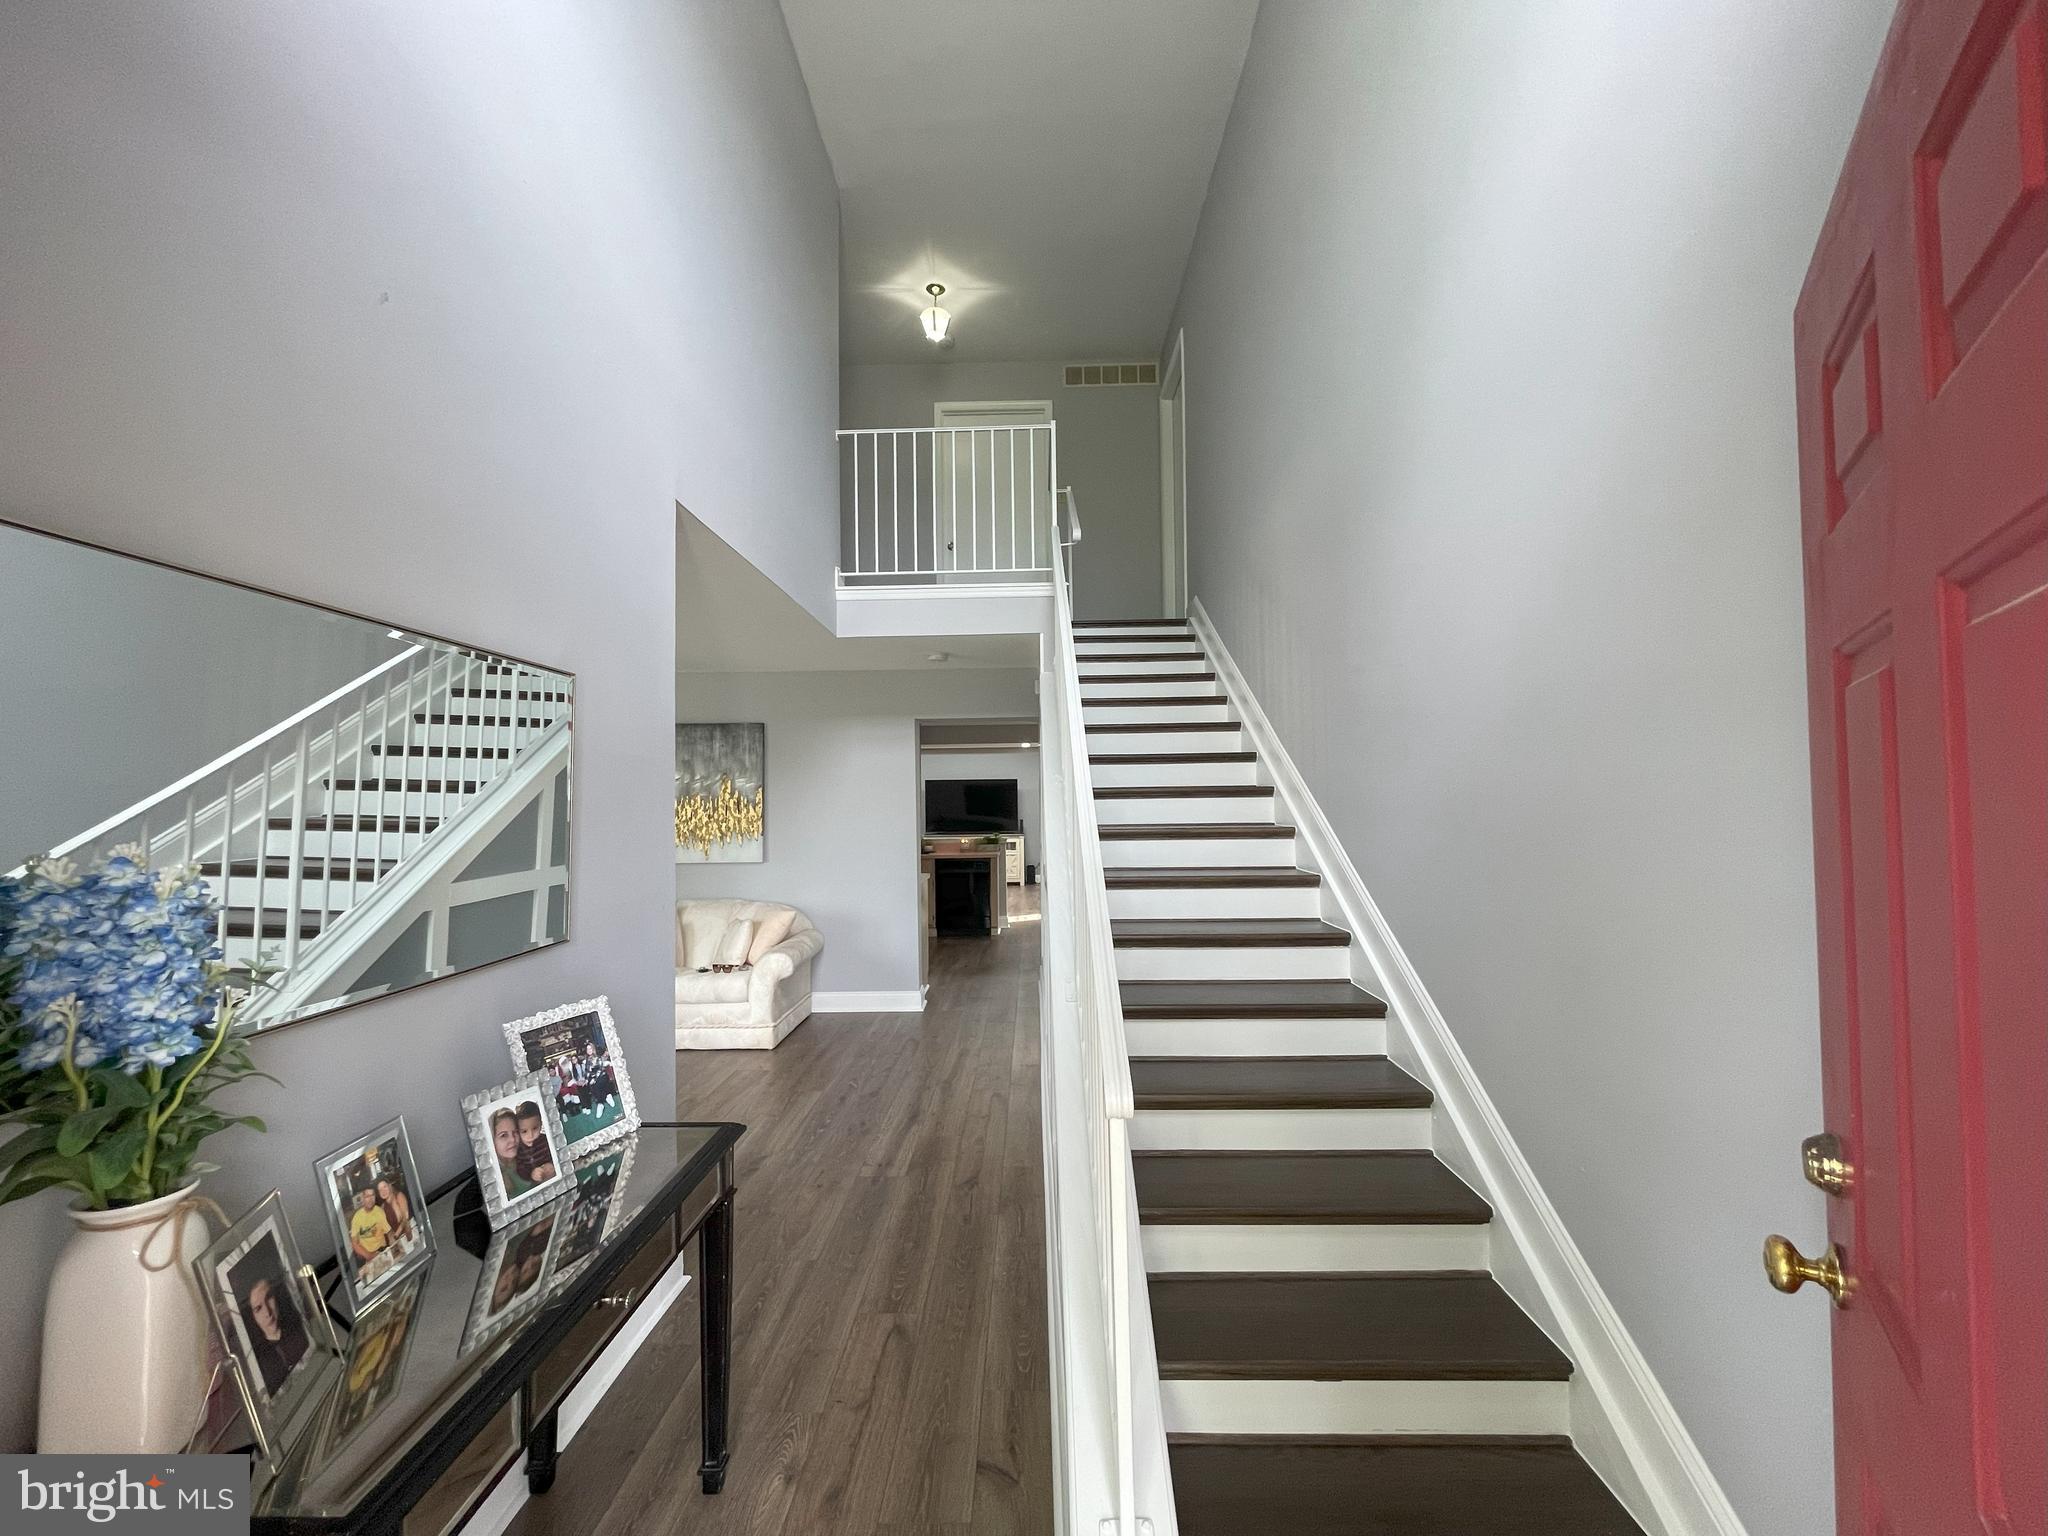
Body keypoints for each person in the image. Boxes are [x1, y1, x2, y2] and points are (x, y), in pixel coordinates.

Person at [245, 1271, 309, 1396]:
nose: (267, 1312)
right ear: (253, 1316)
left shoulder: (300, 1329)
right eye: (258, 1308)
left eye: (269, 1298)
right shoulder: (260, 1362)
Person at [348, 1185, 392, 1274]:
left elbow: (389, 1232)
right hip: (368, 1256)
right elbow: (354, 1243)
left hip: (382, 1251)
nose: (370, 1199)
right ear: (363, 1198)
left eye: (372, 1195)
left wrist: (393, 1246)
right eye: (367, 1196)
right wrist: (369, 1256)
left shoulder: (379, 1211)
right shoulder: (357, 1217)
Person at [491, 1108, 533, 1197]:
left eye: (515, 1132)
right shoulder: (492, 1179)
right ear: (491, 1140)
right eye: (503, 1135)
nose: (513, 1139)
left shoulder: (528, 1157)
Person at [513, 1101, 557, 1185]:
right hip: (535, 1184)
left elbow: (557, 1153)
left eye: (535, 1128)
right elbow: (520, 1169)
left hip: (552, 1176)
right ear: (517, 1130)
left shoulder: (546, 1140)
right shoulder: (518, 1149)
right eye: (524, 1131)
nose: (531, 1135)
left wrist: (552, 1164)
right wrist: (531, 1175)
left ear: (541, 1124)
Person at [376, 1175, 413, 1244]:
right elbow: (387, 1230)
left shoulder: (399, 1196)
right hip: (398, 1240)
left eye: (384, 1187)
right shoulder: (382, 1208)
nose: (383, 1191)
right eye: (380, 1190)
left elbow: (405, 1218)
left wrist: (396, 1235)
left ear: (389, 1186)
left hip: (410, 1231)